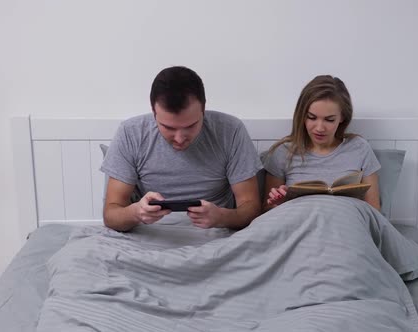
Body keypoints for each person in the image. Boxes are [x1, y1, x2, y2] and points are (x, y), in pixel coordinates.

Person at [101, 66, 262, 232]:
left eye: (191, 126)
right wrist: (136, 213)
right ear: (153, 111)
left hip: (215, 233)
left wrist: (222, 217)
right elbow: (111, 214)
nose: (179, 138)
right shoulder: (130, 133)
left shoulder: (231, 130)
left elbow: (251, 207)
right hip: (150, 233)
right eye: (168, 127)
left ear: (203, 109)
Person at [263, 75, 381, 211]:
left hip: (345, 224)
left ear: (342, 117)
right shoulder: (283, 152)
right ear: (302, 115)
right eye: (311, 117)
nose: (319, 128)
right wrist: (278, 203)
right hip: (297, 223)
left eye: (329, 120)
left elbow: (374, 212)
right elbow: (266, 214)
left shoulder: (360, 148)